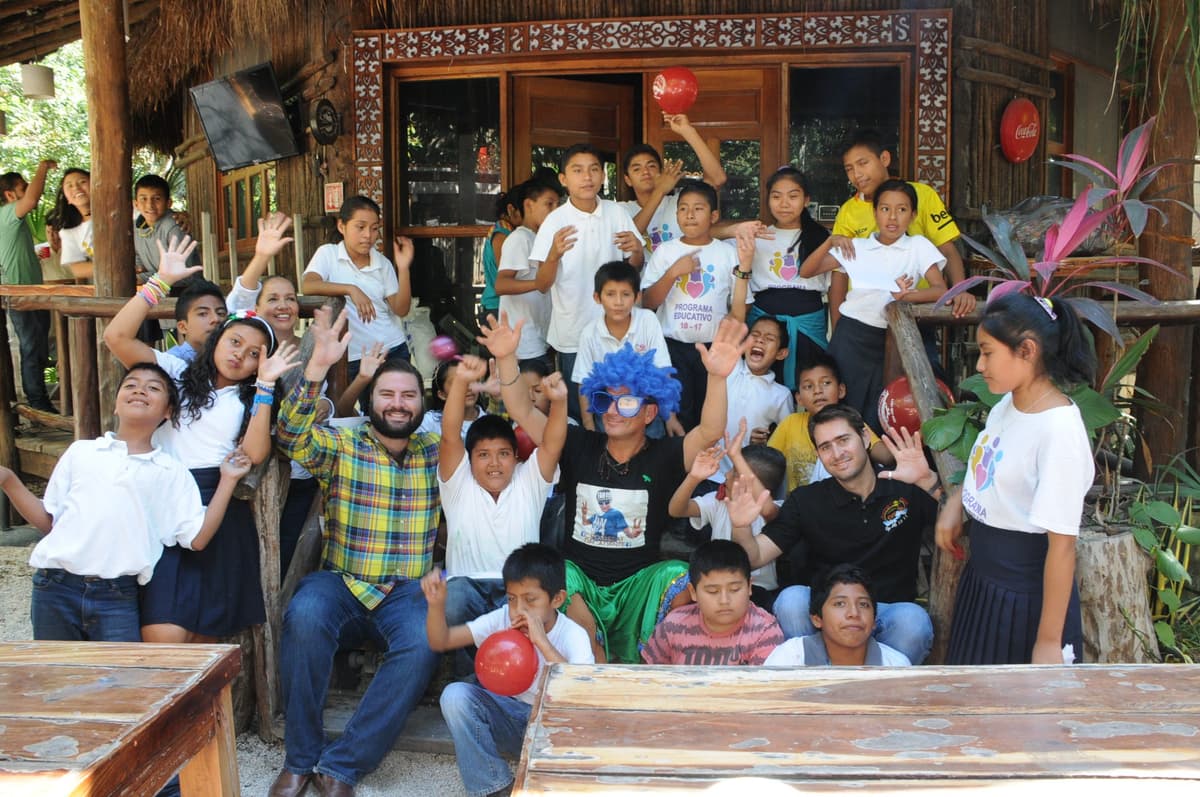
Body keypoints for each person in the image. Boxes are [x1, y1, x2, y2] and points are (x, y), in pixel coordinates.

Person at [481, 312, 749, 664]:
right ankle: (595, 669)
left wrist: (717, 376)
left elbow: (710, 430)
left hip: (639, 584)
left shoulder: (666, 455)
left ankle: (659, 668)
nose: (613, 411)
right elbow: (522, 411)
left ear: (649, 413)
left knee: (677, 576)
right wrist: (505, 358)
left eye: (627, 401)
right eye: (605, 400)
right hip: (580, 582)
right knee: (563, 575)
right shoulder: (577, 443)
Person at [270, 306, 441, 797]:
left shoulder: (436, 450)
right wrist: (316, 368)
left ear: (422, 404)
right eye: (387, 394)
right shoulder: (343, 444)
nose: (398, 404)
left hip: (406, 592)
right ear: (370, 401)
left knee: (425, 641)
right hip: (341, 582)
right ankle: (300, 759)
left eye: (408, 395)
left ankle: (341, 766)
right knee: (305, 615)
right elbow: (290, 436)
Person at [103, 236, 297, 644]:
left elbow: (254, 453)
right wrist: (159, 282)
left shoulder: (251, 397)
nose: (240, 355)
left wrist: (264, 386)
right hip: (165, 498)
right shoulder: (176, 372)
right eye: (235, 342)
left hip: (218, 507)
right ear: (216, 339)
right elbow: (116, 337)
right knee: (163, 634)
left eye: (254, 354)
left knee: (206, 642)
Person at [0, 363, 250, 641]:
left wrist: (228, 480)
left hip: (117, 597)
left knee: (120, 670)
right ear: (116, 405)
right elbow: (50, 522)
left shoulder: (171, 471)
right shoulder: (81, 452)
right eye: (131, 385)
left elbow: (198, 538)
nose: (140, 390)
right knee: (56, 669)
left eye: (153, 388)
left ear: (168, 412)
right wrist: (8, 479)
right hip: (55, 587)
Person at [937, 293, 1095, 665]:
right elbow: (989, 467)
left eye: (987, 352)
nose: (980, 364)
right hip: (983, 583)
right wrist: (957, 503)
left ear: (1027, 350)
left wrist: (1048, 642)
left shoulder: (1059, 431)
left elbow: (1062, 547)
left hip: (1023, 598)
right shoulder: (1008, 404)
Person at [727, 405, 941, 665]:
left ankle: (882, 686)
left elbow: (962, 525)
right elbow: (755, 556)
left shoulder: (904, 485)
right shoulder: (807, 500)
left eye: (843, 440)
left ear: (864, 438)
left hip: (887, 612)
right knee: (791, 601)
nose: (837, 453)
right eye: (825, 447)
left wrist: (928, 481)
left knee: (913, 621)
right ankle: (814, 682)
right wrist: (741, 526)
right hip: (825, 611)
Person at [423, 543, 594, 797]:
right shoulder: (503, 618)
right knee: (454, 696)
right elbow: (441, 641)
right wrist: (436, 605)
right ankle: (494, 786)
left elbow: (582, 693)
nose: (519, 610)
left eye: (530, 600)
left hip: (555, 730)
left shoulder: (573, 635)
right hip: (512, 722)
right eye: (512, 599)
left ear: (557, 599)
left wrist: (542, 643)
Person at [438, 354, 566, 663]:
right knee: (453, 600)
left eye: (503, 454)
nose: (494, 463)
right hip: (466, 589)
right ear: (469, 460)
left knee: (529, 613)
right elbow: (450, 435)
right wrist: (462, 382)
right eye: (483, 455)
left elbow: (552, 444)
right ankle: (469, 676)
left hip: (517, 592)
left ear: (516, 457)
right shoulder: (458, 483)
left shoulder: (529, 479)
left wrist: (559, 402)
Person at [226, 211, 331, 575]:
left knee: (287, 549)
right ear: (257, 308)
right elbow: (234, 306)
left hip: (297, 468)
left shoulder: (311, 346)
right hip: (246, 463)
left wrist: (325, 404)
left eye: (290, 298)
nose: (283, 305)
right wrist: (261, 256)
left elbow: (324, 396)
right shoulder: (246, 348)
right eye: (273, 298)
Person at [800, 179, 946, 433]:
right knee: (844, 407)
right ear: (875, 212)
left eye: (902, 209)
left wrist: (906, 297)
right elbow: (806, 271)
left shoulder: (918, 246)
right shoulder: (857, 246)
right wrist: (830, 242)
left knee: (885, 409)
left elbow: (940, 289)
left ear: (913, 215)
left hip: (895, 337)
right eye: (885, 209)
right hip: (852, 337)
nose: (893, 217)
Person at [530, 144, 644, 419]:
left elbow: (634, 269)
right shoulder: (555, 221)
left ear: (603, 176)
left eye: (594, 169)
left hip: (617, 330)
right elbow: (542, 284)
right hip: (574, 333)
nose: (587, 177)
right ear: (563, 179)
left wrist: (638, 252)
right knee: (581, 413)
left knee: (619, 407)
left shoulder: (617, 213)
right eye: (577, 170)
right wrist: (553, 255)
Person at [640, 179, 753, 428]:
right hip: (672, 349)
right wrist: (672, 273)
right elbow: (647, 303)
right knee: (678, 419)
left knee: (710, 415)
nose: (689, 215)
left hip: (713, 350)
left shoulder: (727, 253)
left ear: (714, 216)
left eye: (698, 208)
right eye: (683, 208)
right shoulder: (665, 251)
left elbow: (741, 308)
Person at [832, 128, 975, 318]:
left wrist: (959, 290)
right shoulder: (848, 211)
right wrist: (837, 324)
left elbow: (947, 249)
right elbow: (840, 273)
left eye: (863, 163)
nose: (856, 174)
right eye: (849, 169)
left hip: (917, 312)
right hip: (864, 316)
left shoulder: (922, 195)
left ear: (884, 159)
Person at [302, 195, 413, 397]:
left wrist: (404, 268)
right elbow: (308, 285)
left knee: (396, 408)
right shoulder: (328, 254)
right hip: (353, 357)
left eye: (374, 228)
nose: (368, 235)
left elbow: (401, 309)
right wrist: (351, 289)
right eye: (360, 227)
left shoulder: (383, 263)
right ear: (341, 226)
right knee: (357, 411)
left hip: (392, 350)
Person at [668, 435, 786, 610]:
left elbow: (768, 510)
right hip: (716, 583)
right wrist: (693, 478)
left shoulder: (777, 509)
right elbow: (676, 510)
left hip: (759, 590)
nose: (726, 474)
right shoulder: (719, 502)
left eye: (735, 473)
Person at [742, 167, 831, 388]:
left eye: (793, 196)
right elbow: (708, 234)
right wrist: (739, 228)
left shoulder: (822, 238)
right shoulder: (758, 237)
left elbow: (834, 288)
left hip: (809, 327)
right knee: (761, 387)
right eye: (776, 196)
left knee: (810, 388)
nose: (784, 204)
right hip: (764, 327)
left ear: (806, 200)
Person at [573, 261, 678, 434]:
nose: (618, 302)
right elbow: (583, 382)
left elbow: (662, 371)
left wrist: (670, 417)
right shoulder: (589, 333)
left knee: (651, 447)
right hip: (608, 412)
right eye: (610, 294)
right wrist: (589, 427)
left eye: (626, 294)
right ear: (597, 297)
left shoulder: (648, 321)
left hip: (645, 411)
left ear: (637, 297)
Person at [641, 540, 783, 665]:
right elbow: (650, 677)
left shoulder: (765, 631)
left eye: (734, 589)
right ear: (693, 592)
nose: (724, 600)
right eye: (712, 591)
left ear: (749, 587)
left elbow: (764, 686)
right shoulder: (673, 625)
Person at [768, 351, 893, 492]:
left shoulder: (850, 423)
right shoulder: (790, 424)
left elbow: (886, 457)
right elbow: (767, 462)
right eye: (808, 386)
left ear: (841, 390)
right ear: (799, 399)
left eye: (826, 383)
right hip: (799, 503)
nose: (817, 391)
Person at [765, 564, 912, 666]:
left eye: (863, 604)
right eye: (840, 604)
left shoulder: (896, 666)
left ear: (874, 621)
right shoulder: (790, 658)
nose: (854, 613)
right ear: (817, 619)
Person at [619, 113, 727, 251]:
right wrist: (659, 191)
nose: (645, 172)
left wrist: (688, 131)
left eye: (651, 166)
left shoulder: (681, 203)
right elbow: (629, 238)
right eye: (637, 169)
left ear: (661, 172)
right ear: (627, 180)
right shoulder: (621, 210)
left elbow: (717, 179)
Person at [0, 161, 57, 412]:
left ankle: (39, 398)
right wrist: (42, 167)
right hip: (18, 293)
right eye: (23, 187)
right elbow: (32, 200)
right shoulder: (7, 213)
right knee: (31, 345)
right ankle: (37, 402)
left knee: (39, 345)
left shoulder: (14, 221)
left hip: (33, 291)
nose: (29, 191)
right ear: (10, 195)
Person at [495, 178, 561, 369]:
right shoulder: (520, 238)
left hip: (539, 338)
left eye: (558, 205)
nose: (555, 210)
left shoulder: (540, 239)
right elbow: (501, 284)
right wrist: (538, 283)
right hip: (523, 343)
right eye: (549, 204)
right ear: (529, 205)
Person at [717, 315, 794, 475]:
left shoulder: (781, 395)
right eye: (755, 335)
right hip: (711, 471)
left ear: (781, 353)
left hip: (747, 476)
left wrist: (763, 445)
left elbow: (786, 441)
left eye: (769, 338)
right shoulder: (729, 368)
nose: (759, 340)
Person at [133, 173, 201, 283]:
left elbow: (183, 274)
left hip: (186, 290)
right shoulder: (136, 229)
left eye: (157, 199)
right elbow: (140, 266)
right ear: (136, 204)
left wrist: (141, 278)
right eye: (143, 199)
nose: (149, 205)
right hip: (158, 288)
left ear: (168, 203)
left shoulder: (175, 225)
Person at [478, 189, 518, 328]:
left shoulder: (502, 230)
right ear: (511, 210)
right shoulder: (502, 234)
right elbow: (506, 274)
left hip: (498, 306)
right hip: (497, 307)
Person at [164, 280, 228, 363]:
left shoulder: (230, 359)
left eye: (221, 313)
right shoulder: (171, 363)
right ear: (183, 327)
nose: (216, 319)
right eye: (203, 314)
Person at [49, 167, 93, 280]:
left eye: (82, 182)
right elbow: (77, 269)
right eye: (69, 186)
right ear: (67, 198)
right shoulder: (68, 231)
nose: (76, 188)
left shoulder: (122, 210)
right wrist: (114, 268)